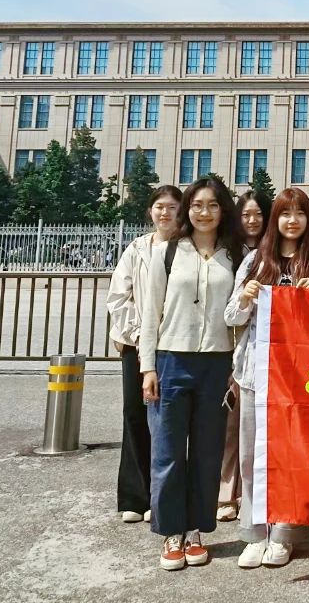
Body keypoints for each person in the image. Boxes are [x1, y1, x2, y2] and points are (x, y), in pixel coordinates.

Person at [226, 188, 309, 569]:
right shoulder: (255, 262)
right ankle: (254, 532)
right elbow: (231, 317)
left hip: (302, 378)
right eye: (285, 213)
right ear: (274, 220)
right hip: (256, 374)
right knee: (251, 454)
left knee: (292, 455)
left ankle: (284, 531)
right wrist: (245, 297)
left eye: (299, 213)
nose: (292, 221)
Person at [139, 176, 245, 571]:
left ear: (223, 210)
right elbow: (150, 314)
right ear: (188, 209)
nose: (205, 212)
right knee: (168, 452)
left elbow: (240, 318)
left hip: (216, 363)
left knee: (207, 451)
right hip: (171, 360)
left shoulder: (234, 255)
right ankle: (171, 532)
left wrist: (235, 367)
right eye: (197, 205)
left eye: (213, 205)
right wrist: (147, 367)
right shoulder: (168, 252)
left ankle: (197, 529)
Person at [107, 184, 182, 525]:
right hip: (136, 345)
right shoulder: (137, 249)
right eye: (159, 206)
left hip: (175, 344)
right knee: (135, 414)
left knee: (167, 420)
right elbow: (118, 297)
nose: (165, 212)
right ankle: (135, 496)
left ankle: (161, 494)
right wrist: (140, 335)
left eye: (172, 207)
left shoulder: (187, 249)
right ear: (150, 211)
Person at [218, 190, 272, 523]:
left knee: (252, 430)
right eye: (246, 214)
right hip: (228, 342)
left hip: (257, 349)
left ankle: (249, 496)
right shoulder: (230, 252)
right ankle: (226, 493)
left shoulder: (273, 252)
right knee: (230, 426)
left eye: (258, 214)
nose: (252, 221)